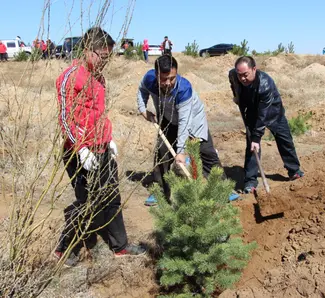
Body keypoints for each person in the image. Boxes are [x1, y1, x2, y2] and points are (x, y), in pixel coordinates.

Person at [55, 27, 145, 267]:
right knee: (86, 202)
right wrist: (81, 148)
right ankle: (65, 250)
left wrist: (109, 138)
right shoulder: (70, 77)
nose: (105, 61)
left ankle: (120, 246)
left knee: (112, 196)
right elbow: (65, 118)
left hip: (101, 148)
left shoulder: (100, 78)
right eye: (102, 56)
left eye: (109, 57)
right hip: (78, 153)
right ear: (87, 50)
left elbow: (99, 115)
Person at [137, 55, 238, 205]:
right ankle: (160, 192)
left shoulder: (183, 88)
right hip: (168, 118)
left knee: (206, 152)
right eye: (164, 79)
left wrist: (181, 151)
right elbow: (141, 90)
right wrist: (142, 109)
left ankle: (224, 189)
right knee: (162, 154)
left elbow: (185, 122)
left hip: (193, 119)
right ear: (156, 74)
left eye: (172, 78)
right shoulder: (149, 79)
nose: (168, 83)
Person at [228, 56, 304, 194]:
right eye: (240, 75)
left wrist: (257, 138)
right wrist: (237, 96)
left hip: (272, 112)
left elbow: (263, 115)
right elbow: (233, 82)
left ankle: (294, 170)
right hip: (251, 111)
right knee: (252, 147)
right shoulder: (234, 74)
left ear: (254, 69)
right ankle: (250, 181)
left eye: (245, 75)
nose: (242, 78)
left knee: (284, 140)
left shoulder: (265, 85)